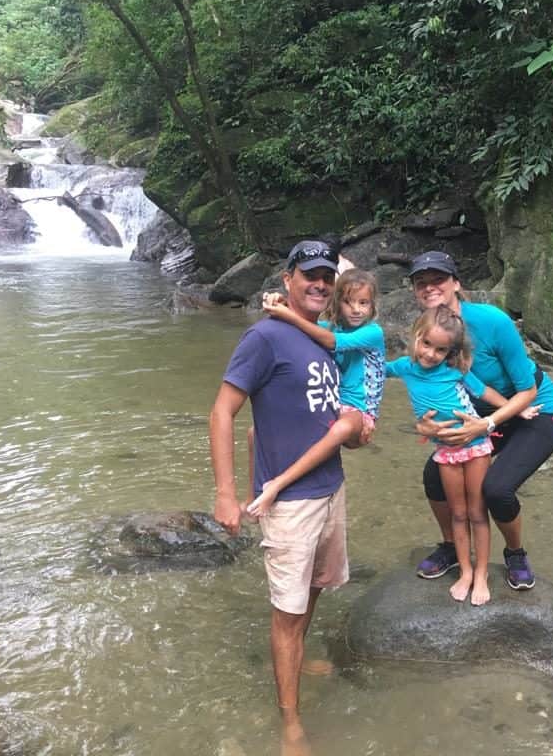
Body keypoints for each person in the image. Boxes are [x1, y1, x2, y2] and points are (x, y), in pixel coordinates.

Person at [209, 239, 347, 756]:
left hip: (331, 487)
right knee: (287, 612)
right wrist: (228, 494)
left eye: (327, 277)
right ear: (288, 279)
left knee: (314, 588)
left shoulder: (324, 340)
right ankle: (290, 720)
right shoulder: (264, 337)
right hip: (290, 501)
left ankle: (299, 660)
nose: (320, 284)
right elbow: (223, 412)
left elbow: (307, 418)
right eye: (310, 275)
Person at [409, 251, 553, 590]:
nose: (429, 287)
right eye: (421, 283)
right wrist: (424, 428)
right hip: (484, 415)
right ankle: (452, 547)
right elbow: (428, 393)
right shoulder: (427, 334)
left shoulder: (492, 321)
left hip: (537, 409)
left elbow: (527, 389)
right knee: (434, 474)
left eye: (438, 279)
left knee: (497, 489)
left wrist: (488, 425)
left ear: (456, 283)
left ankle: (515, 553)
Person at [386, 305, 538, 606]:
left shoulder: (456, 371)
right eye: (426, 343)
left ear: (450, 352)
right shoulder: (403, 367)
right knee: (457, 513)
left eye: (440, 349)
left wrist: (517, 409)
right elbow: (373, 369)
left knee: (477, 513)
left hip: (475, 445)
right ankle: (465, 571)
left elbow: (484, 393)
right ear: (415, 335)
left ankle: (481, 573)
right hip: (446, 450)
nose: (431, 354)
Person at [247, 268, 386, 518]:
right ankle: (253, 496)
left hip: (360, 410)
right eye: (348, 302)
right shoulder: (332, 327)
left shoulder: (373, 332)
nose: (356, 309)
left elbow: (332, 342)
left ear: (373, 306)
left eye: (363, 303)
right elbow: (306, 325)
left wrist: (289, 315)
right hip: (332, 403)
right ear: (337, 303)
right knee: (255, 432)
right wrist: (280, 302)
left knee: (340, 430)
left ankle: (277, 484)